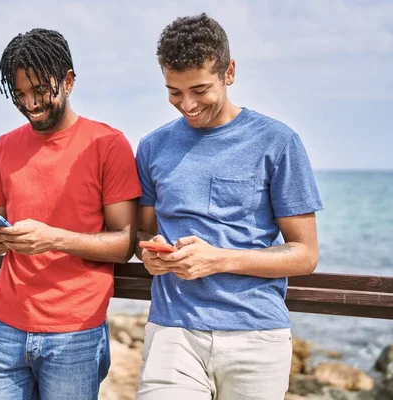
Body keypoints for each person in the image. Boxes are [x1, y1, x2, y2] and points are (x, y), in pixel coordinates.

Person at [135, 14, 323, 400]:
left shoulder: (278, 142)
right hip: (173, 330)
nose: (187, 104)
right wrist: (148, 253)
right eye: (174, 92)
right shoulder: (152, 147)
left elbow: (305, 255)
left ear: (229, 72)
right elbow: (143, 232)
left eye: (200, 89)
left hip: (257, 334)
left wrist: (218, 259)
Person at [0, 28, 142, 400]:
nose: (30, 103)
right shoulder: (5, 146)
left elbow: (126, 243)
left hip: (76, 331)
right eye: (20, 95)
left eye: (39, 91)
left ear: (68, 81)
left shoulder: (107, 145)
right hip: (5, 325)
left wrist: (53, 238)